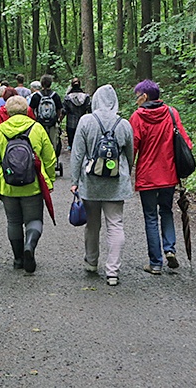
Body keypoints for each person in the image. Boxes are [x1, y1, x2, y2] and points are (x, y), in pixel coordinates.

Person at [68, 85, 134, 286]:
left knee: (92, 224)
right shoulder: (124, 123)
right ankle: (112, 271)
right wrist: (126, 173)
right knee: (115, 225)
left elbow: (77, 153)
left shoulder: (86, 121)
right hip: (116, 182)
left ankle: (91, 261)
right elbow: (130, 154)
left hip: (91, 182)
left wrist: (74, 181)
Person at [128, 79, 192, 275]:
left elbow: (132, 147)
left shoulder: (138, 117)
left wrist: (127, 167)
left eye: (137, 96)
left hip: (147, 176)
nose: (136, 101)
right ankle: (170, 250)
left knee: (150, 217)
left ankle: (155, 263)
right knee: (166, 211)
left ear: (144, 96)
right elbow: (185, 142)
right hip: (169, 173)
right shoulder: (171, 113)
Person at [0, 96, 57, 273]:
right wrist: (49, 180)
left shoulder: (0, 131)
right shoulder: (37, 128)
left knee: (14, 221)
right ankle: (29, 247)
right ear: (27, 110)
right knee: (34, 220)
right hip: (33, 185)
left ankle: (18, 259)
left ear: (7, 112)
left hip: (8, 186)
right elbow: (49, 158)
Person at [29, 74, 64, 168]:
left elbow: (31, 110)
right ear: (50, 83)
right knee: (53, 143)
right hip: (52, 123)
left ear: (41, 84)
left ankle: (40, 161)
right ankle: (53, 162)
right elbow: (59, 109)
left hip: (39, 124)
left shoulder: (36, 96)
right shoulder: (55, 96)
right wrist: (57, 120)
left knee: (39, 142)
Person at [62, 77, 91, 150]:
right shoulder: (86, 97)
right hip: (83, 121)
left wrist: (59, 120)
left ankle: (70, 147)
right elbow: (90, 110)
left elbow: (64, 111)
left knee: (71, 139)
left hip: (71, 123)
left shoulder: (67, 98)